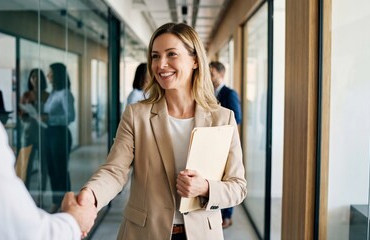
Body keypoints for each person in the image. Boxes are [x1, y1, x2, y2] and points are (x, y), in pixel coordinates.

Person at [77, 22, 247, 240]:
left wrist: (205, 188)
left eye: (171, 54)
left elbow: (238, 187)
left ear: (195, 60)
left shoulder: (223, 118)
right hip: (144, 233)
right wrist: (90, 195)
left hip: (202, 233)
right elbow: (114, 171)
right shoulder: (136, 115)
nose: (161, 64)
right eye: (155, 56)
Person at [0, 0, 96, 239]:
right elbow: (22, 234)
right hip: (46, 132)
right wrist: (74, 222)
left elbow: (69, 116)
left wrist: (44, 114)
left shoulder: (60, 94)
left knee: (57, 171)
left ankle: (55, 201)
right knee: (45, 170)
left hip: (58, 133)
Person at [209, 61, 242, 229]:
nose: (210, 77)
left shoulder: (229, 93)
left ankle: (227, 217)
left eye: (212, 74)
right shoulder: (210, 93)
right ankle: (219, 212)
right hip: (213, 144)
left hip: (226, 142)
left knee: (227, 179)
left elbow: (236, 119)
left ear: (221, 74)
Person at [43, 62, 75, 212]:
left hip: (60, 134)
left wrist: (48, 119)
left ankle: (66, 203)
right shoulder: (53, 94)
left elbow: (70, 117)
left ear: (57, 75)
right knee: (52, 169)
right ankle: (57, 201)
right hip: (49, 134)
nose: (48, 76)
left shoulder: (65, 94)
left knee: (60, 170)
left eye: (50, 73)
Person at [19, 68, 50, 192]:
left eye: (38, 77)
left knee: (44, 166)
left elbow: (51, 115)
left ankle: (41, 194)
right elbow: (20, 114)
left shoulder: (48, 95)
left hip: (44, 134)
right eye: (33, 77)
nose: (35, 79)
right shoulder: (26, 95)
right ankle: (23, 193)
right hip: (28, 133)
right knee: (24, 165)